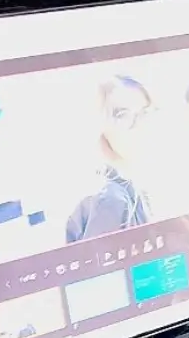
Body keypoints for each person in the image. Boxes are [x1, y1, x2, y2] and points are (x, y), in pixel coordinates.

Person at [65, 74, 158, 242]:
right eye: (123, 115)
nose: (138, 124)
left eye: (144, 112)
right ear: (101, 125)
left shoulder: (134, 188)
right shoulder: (110, 200)